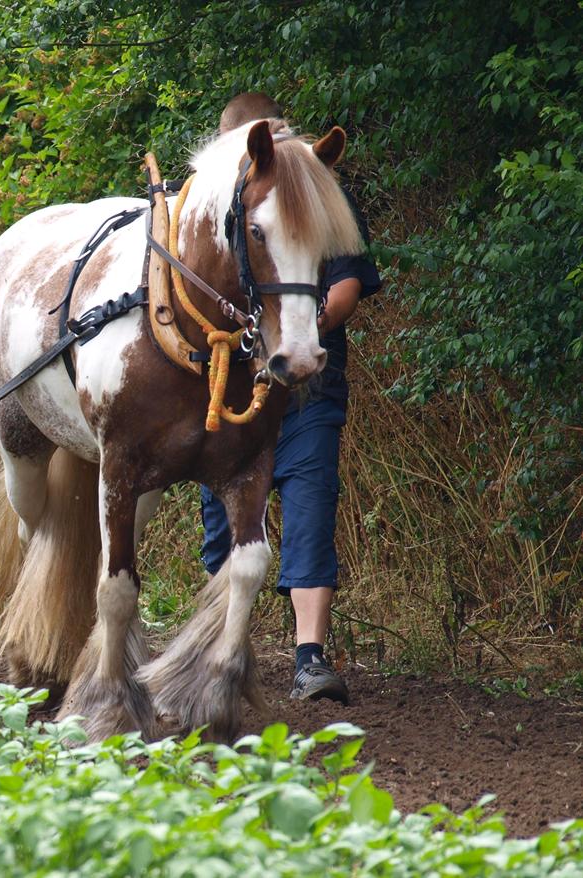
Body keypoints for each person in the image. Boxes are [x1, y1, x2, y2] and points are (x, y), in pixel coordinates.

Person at [199, 92, 382, 704]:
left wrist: (299, 332)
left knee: (308, 514)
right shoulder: (209, 207)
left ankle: (309, 656)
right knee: (225, 521)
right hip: (233, 389)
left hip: (306, 386)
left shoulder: (318, 190)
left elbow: (349, 281)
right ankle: (228, 646)